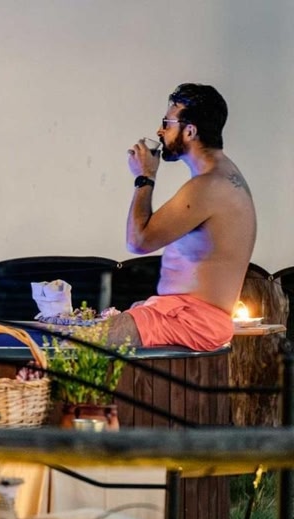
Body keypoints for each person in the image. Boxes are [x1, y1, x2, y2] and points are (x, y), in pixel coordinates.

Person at [106, 83, 256, 351]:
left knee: (86, 340)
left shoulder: (209, 186)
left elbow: (138, 241)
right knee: (81, 331)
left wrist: (145, 177)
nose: (159, 131)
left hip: (194, 322)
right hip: (182, 315)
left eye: (167, 123)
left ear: (190, 131)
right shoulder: (220, 178)